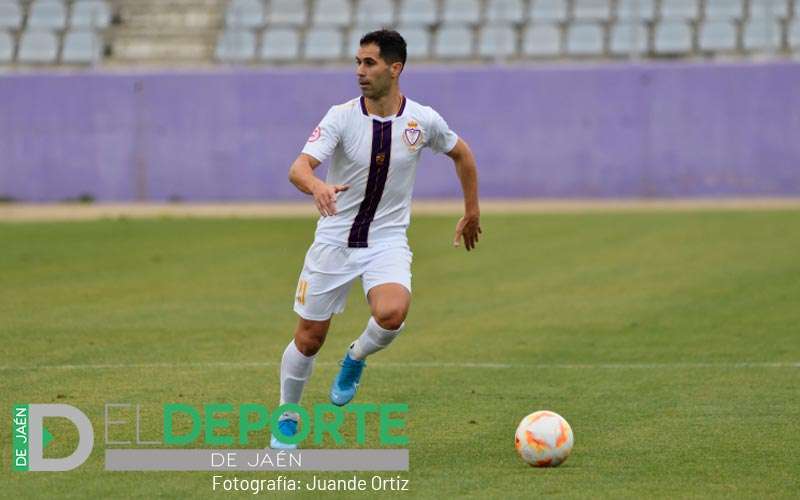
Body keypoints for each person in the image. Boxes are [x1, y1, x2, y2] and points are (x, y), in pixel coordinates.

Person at [271, 29, 481, 449]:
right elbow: (299, 167)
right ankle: (287, 418)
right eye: (357, 62)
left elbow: (462, 153)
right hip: (334, 242)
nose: (359, 72)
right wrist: (317, 187)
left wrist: (471, 211)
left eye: (369, 63)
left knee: (392, 312)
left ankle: (356, 357)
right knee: (309, 338)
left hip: (386, 240)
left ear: (395, 67)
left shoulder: (422, 120)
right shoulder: (341, 116)